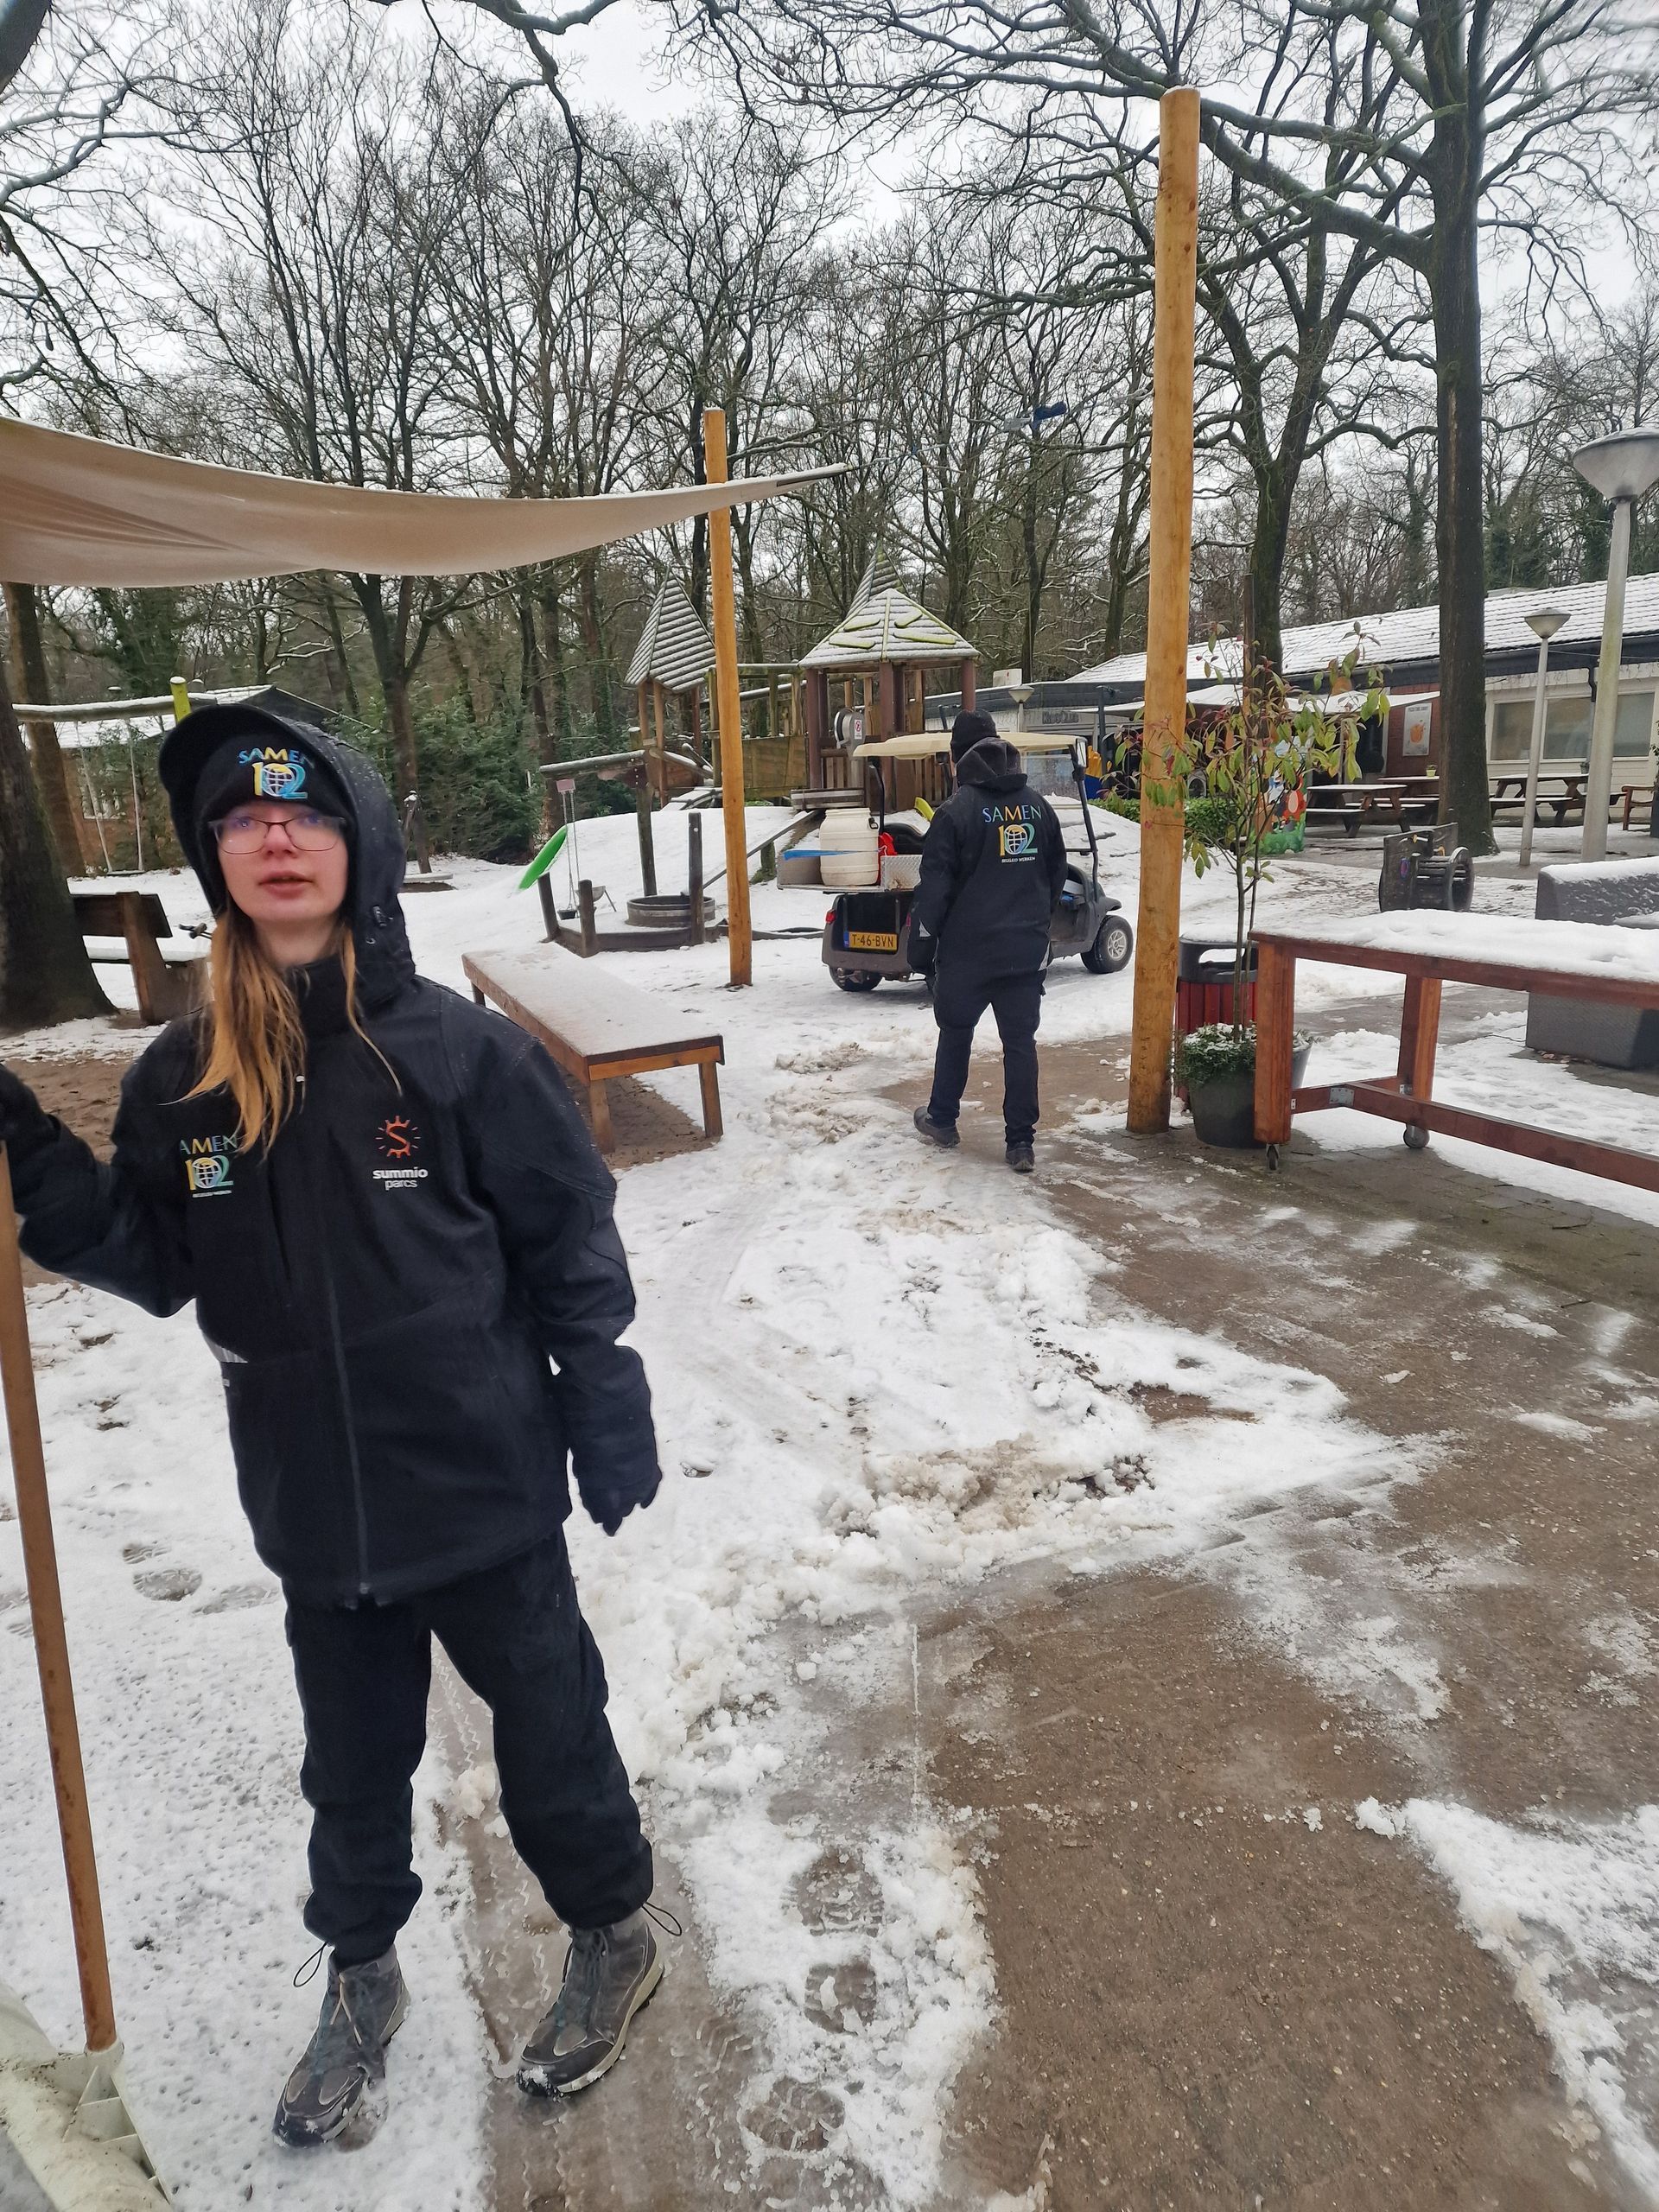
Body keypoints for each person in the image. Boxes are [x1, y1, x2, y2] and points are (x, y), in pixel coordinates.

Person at [0, 705, 665, 2146]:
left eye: (302, 814)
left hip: (485, 1488)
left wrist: (604, 1410)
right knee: (349, 1771)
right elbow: (156, 1259)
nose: (276, 838)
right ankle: (362, 1976)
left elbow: (569, 1241)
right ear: (216, 859)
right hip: (315, 1509)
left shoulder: (459, 1056)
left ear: (355, 838)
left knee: (553, 1734)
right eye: (243, 820)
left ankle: (615, 1929)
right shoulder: (180, 1078)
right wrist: (24, 1144)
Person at [909, 708, 1068, 1173]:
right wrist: (1034, 923)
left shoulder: (954, 813)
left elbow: (933, 891)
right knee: (1020, 1044)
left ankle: (942, 1118)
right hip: (1024, 952)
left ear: (958, 758)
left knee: (956, 1032)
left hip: (968, 954)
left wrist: (921, 947)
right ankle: (1021, 1144)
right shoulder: (1039, 807)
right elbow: (1056, 877)